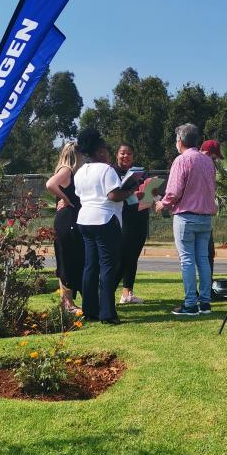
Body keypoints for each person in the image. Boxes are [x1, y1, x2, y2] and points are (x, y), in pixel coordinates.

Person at [74, 128, 143, 325]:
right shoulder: (107, 170)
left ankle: (90, 311)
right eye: (105, 149)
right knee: (107, 267)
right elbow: (113, 195)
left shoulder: (80, 171)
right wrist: (129, 190)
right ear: (99, 151)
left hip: (84, 219)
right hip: (105, 220)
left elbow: (80, 194)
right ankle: (107, 314)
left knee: (90, 266)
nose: (107, 153)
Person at [156, 123, 217, 316]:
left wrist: (163, 204)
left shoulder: (181, 160)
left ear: (180, 141)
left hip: (186, 215)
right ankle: (205, 302)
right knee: (203, 259)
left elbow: (174, 191)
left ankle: (190, 304)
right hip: (205, 217)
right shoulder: (208, 161)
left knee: (187, 260)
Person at [45, 141, 84, 312]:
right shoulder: (67, 170)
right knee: (67, 260)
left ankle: (67, 302)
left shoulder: (68, 171)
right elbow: (50, 184)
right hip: (67, 220)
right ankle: (68, 303)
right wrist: (66, 199)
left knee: (67, 260)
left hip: (69, 219)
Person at [114, 142, 149, 304]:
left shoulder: (139, 173)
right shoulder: (112, 172)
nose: (125, 156)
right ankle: (107, 293)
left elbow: (146, 193)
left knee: (133, 256)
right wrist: (131, 193)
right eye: (122, 153)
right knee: (122, 258)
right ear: (117, 155)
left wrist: (151, 192)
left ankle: (127, 293)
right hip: (123, 219)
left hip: (140, 217)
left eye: (129, 153)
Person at [200, 139, 222, 277]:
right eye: (213, 157)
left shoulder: (209, 167)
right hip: (198, 215)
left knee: (207, 253)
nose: (214, 161)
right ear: (207, 153)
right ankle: (204, 286)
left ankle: (206, 285)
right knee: (204, 254)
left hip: (204, 215)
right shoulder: (203, 165)